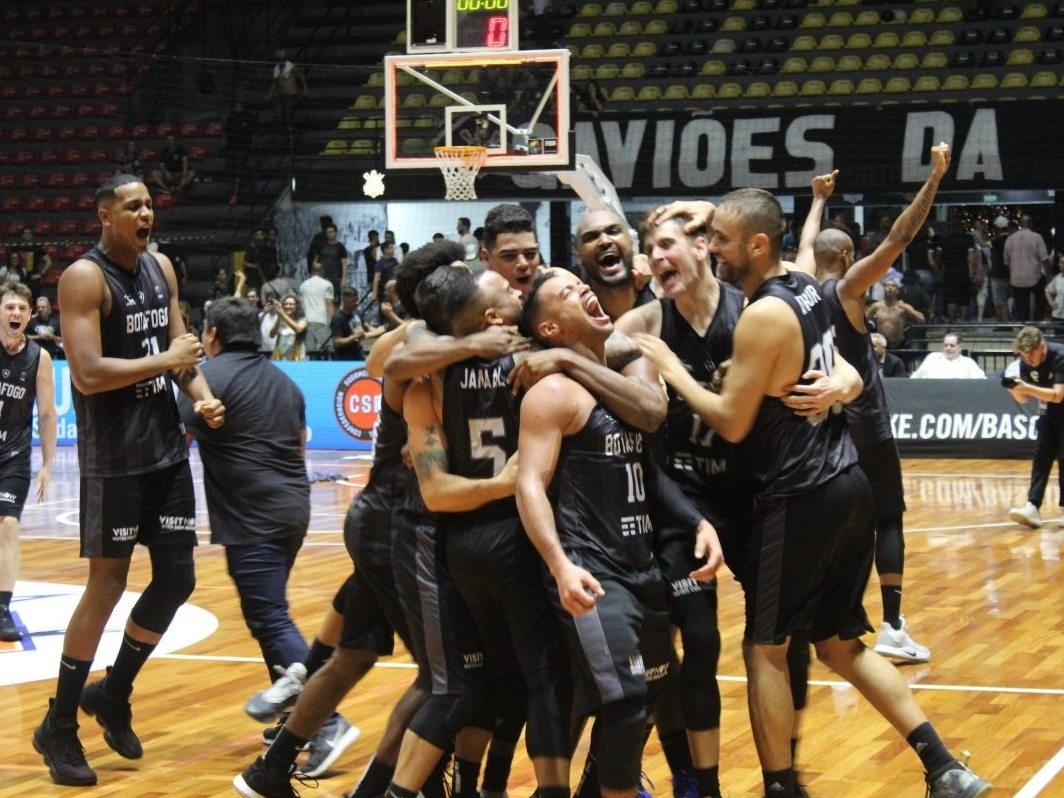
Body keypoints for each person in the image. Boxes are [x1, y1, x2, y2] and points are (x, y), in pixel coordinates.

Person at [633, 187, 990, 798]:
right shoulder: (801, 282)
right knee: (840, 644)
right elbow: (847, 360)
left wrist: (668, 367)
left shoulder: (761, 313)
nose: (712, 247)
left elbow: (731, 420)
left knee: (765, 648)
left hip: (799, 493)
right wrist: (847, 382)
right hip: (847, 481)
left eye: (719, 238)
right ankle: (943, 765)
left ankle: (778, 786)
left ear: (756, 244)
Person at [32, 173, 225, 787]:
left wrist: (202, 393)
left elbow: (180, 350)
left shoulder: (160, 268)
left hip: (166, 451)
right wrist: (168, 363)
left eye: (150, 205)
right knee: (108, 583)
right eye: (133, 207)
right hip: (114, 459)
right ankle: (59, 724)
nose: (147, 214)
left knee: (177, 578)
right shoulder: (83, 278)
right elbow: (86, 374)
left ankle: (112, 692)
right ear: (104, 216)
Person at [517, 269, 724, 798]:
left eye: (578, 283)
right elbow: (530, 486)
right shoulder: (553, 395)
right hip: (594, 573)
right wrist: (561, 566)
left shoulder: (620, 384)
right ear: (548, 328)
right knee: (626, 702)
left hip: (642, 569)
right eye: (566, 293)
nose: (582, 289)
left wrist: (697, 522)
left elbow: (649, 469)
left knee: (649, 696)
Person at [179, 297, 358, 777]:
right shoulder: (285, 382)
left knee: (270, 618)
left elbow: (177, 442)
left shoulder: (208, 379)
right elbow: (299, 449)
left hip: (252, 516)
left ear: (212, 335)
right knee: (268, 616)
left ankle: (328, 723)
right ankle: (295, 718)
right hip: (293, 511)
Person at [795, 146, 950, 666]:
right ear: (846, 258)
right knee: (889, 518)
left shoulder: (797, 288)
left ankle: (825, 615)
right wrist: (935, 178)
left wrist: (817, 202)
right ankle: (892, 625)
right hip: (865, 423)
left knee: (838, 524)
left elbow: (804, 247)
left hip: (822, 431)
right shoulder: (846, 288)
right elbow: (899, 237)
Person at [0, 283, 57, 643]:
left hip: (14, 456)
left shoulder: (40, 358)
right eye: (9, 307)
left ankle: (3, 609)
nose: (16, 313)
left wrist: (48, 465)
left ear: (31, 315)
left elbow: (48, 414)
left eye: (22, 308)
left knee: (7, 525)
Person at [1006, 326, 1064, 530]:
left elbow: (1058, 395)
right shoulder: (1025, 362)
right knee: (1041, 457)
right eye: (1024, 354)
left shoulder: (1060, 357)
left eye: (1031, 354)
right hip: (1049, 414)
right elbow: (1023, 399)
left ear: (1042, 345)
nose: (1028, 359)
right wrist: (1016, 390)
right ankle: (1033, 506)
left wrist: (1028, 388)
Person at [576, 208, 655, 322]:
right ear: (579, 257)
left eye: (614, 232)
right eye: (591, 237)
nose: (604, 241)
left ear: (632, 244)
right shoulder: (577, 318)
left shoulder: (663, 295)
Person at [1005, 214, 1050, 322]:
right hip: (1034, 275)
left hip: (1016, 278)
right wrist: (1048, 277)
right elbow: (1044, 258)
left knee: (1021, 306)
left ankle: (1023, 328)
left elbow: (1006, 261)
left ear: (1020, 224)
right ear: (1031, 224)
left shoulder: (1010, 239)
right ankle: (1037, 323)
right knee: (1040, 301)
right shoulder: (1037, 237)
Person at [865, 280, 925, 349]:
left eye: (893, 286)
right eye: (887, 286)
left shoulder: (903, 306)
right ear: (884, 290)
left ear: (897, 291)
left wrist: (908, 310)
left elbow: (921, 319)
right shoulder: (877, 306)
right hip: (881, 344)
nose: (890, 288)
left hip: (899, 344)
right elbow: (863, 320)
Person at [331, 287, 383, 361]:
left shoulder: (356, 313)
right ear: (345, 300)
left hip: (359, 354)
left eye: (357, 300)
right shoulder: (337, 318)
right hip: (344, 357)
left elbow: (367, 327)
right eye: (353, 300)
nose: (357, 303)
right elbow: (337, 341)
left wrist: (380, 332)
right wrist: (354, 337)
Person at [266, 49, 307, 142]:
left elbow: (301, 77)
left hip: (291, 94)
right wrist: (269, 95)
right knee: (278, 114)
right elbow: (274, 83)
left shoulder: (292, 67)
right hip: (281, 95)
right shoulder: (276, 69)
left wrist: (305, 90)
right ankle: (283, 135)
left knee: (289, 115)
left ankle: (291, 136)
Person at [299, 262, 336, 359]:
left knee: (311, 353)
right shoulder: (327, 284)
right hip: (322, 321)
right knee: (329, 349)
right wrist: (334, 321)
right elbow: (329, 304)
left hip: (308, 321)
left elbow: (303, 305)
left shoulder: (303, 285)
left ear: (312, 271)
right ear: (322, 271)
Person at [910, 333, 986, 379]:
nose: (948, 348)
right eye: (945, 345)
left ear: (960, 347)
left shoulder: (968, 363)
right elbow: (915, 377)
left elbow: (982, 381)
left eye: (952, 346)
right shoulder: (932, 358)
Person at [225, 100, 257, 205]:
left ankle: (235, 195)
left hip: (243, 148)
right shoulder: (231, 118)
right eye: (236, 106)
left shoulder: (249, 117)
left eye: (240, 106)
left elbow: (253, 133)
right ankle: (239, 192)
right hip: (231, 148)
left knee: (239, 172)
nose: (238, 108)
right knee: (233, 172)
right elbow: (227, 131)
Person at [313, 224, 349, 298]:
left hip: (336, 279)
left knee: (335, 300)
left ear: (335, 233)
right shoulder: (321, 246)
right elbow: (315, 262)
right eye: (327, 232)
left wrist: (343, 279)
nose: (329, 234)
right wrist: (313, 276)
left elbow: (344, 264)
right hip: (322, 278)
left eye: (331, 232)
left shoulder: (340, 247)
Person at [271, 295, 308, 361]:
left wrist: (283, 315)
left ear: (297, 306)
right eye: (285, 304)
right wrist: (279, 317)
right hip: (280, 357)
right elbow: (272, 334)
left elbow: (298, 329)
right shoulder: (281, 319)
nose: (288, 306)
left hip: (297, 357)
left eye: (291, 304)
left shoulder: (303, 320)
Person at [27, 295, 63, 360]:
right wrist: (39, 337)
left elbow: (63, 339)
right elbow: (23, 337)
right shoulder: (30, 321)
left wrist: (52, 337)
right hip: (34, 353)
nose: (40, 309)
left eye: (43, 307)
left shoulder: (56, 322)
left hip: (53, 353)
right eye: (38, 307)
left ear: (49, 309)